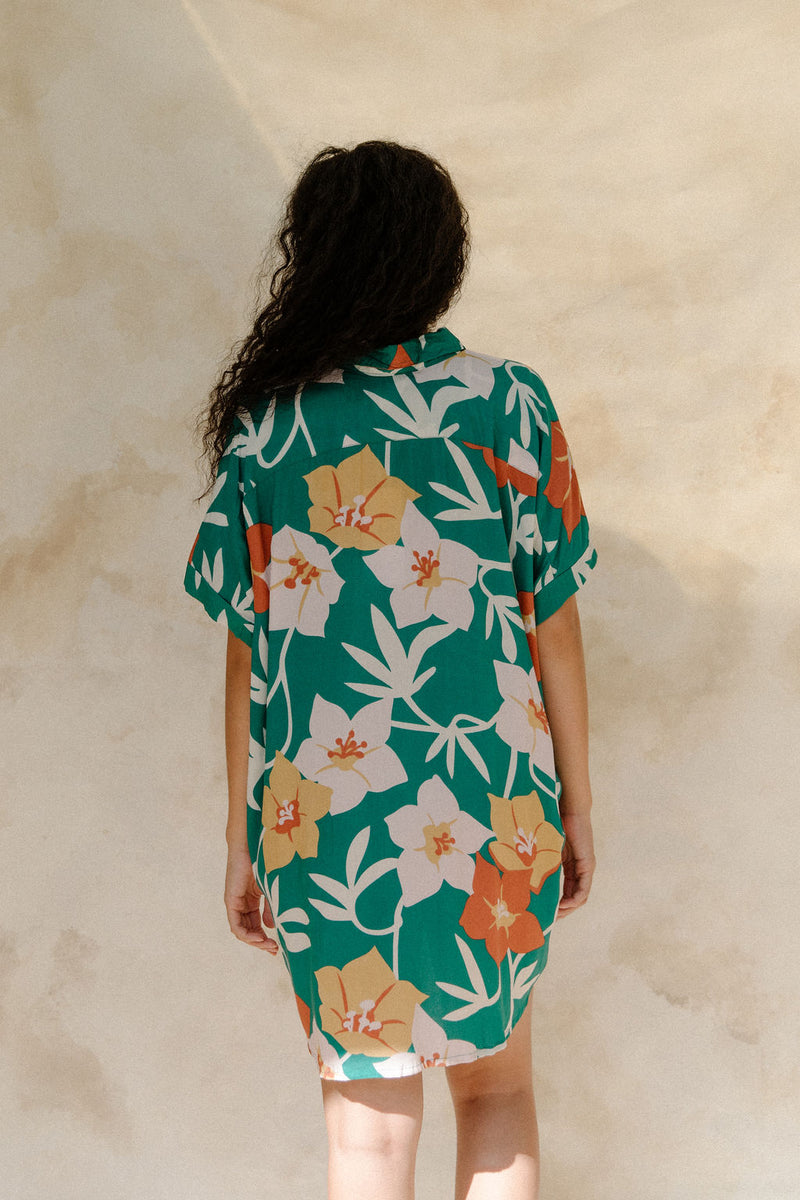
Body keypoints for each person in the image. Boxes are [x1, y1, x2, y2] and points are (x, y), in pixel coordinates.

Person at [183, 139, 597, 1200]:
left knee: (365, 1137)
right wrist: (576, 811)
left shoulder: (266, 431)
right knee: (495, 1095)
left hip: (323, 817)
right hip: (490, 794)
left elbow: (247, 655)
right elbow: (551, 623)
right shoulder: (507, 403)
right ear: (435, 259)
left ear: (310, 256)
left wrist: (242, 834)